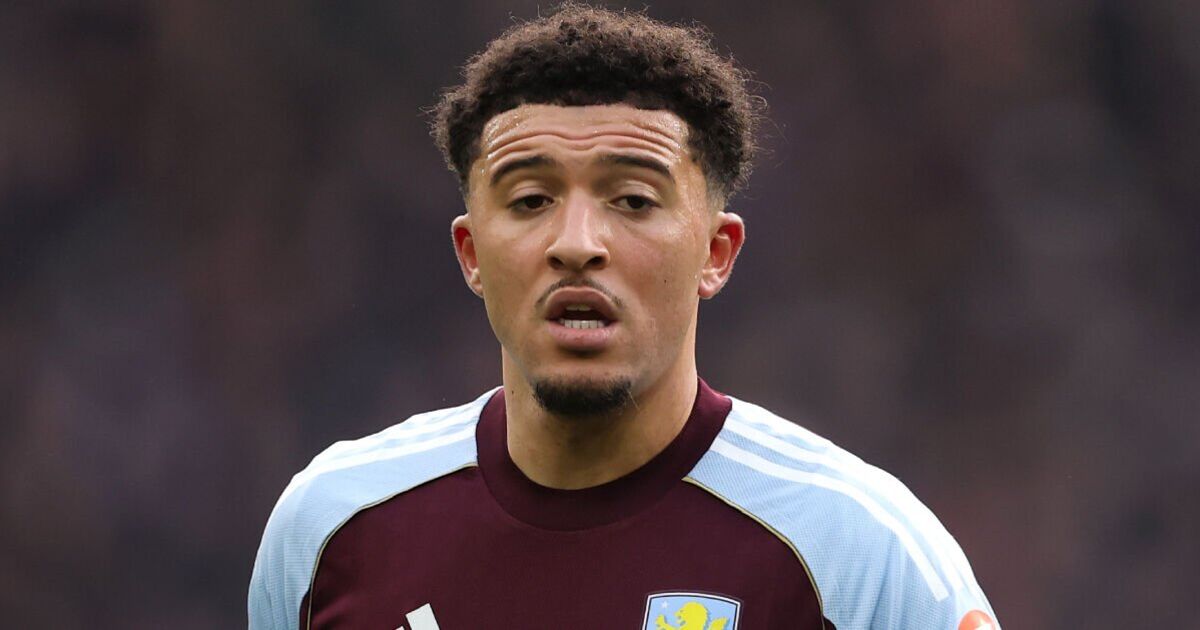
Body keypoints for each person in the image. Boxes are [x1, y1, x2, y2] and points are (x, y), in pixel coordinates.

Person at [249, 4, 1000, 629]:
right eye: (530, 200)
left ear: (716, 253)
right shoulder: (331, 526)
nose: (577, 244)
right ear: (471, 254)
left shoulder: (857, 552)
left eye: (633, 200)